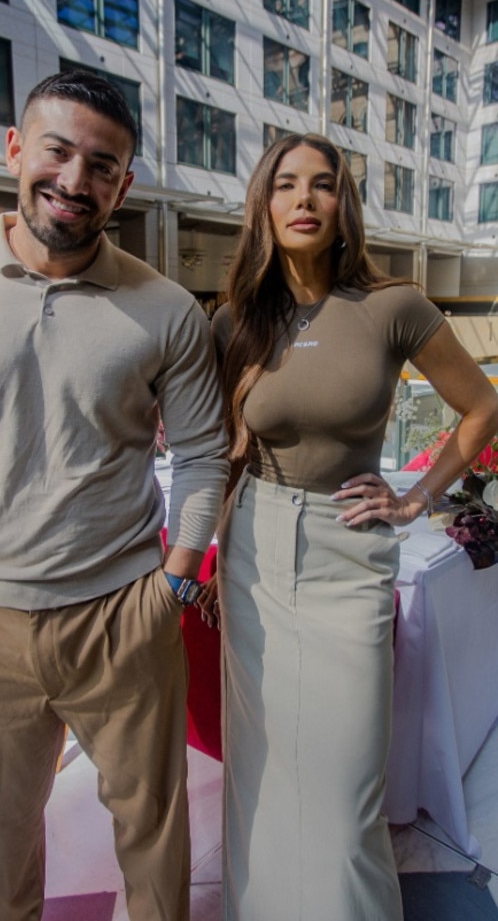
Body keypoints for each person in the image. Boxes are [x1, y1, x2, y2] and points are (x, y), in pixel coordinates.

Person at [0, 70, 229, 921]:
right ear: (16, 150)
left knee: (154, 844)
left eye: (103, 164)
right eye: (58, 151)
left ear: (124, 184)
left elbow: (205, 455)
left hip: (122, 618)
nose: (75, 179)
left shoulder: (166, 309)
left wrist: (171, 584)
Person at [209, 133, 498, 921]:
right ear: (264, 205)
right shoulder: (238, 319)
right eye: (287, 184)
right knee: (260, 769)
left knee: (343, 789)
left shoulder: (392, 305)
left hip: (348, 552)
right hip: (253, 553)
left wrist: (417, 499)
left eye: (324, 185)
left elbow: (483, 406)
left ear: (345, 208)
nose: (304, 199)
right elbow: (227, 452)